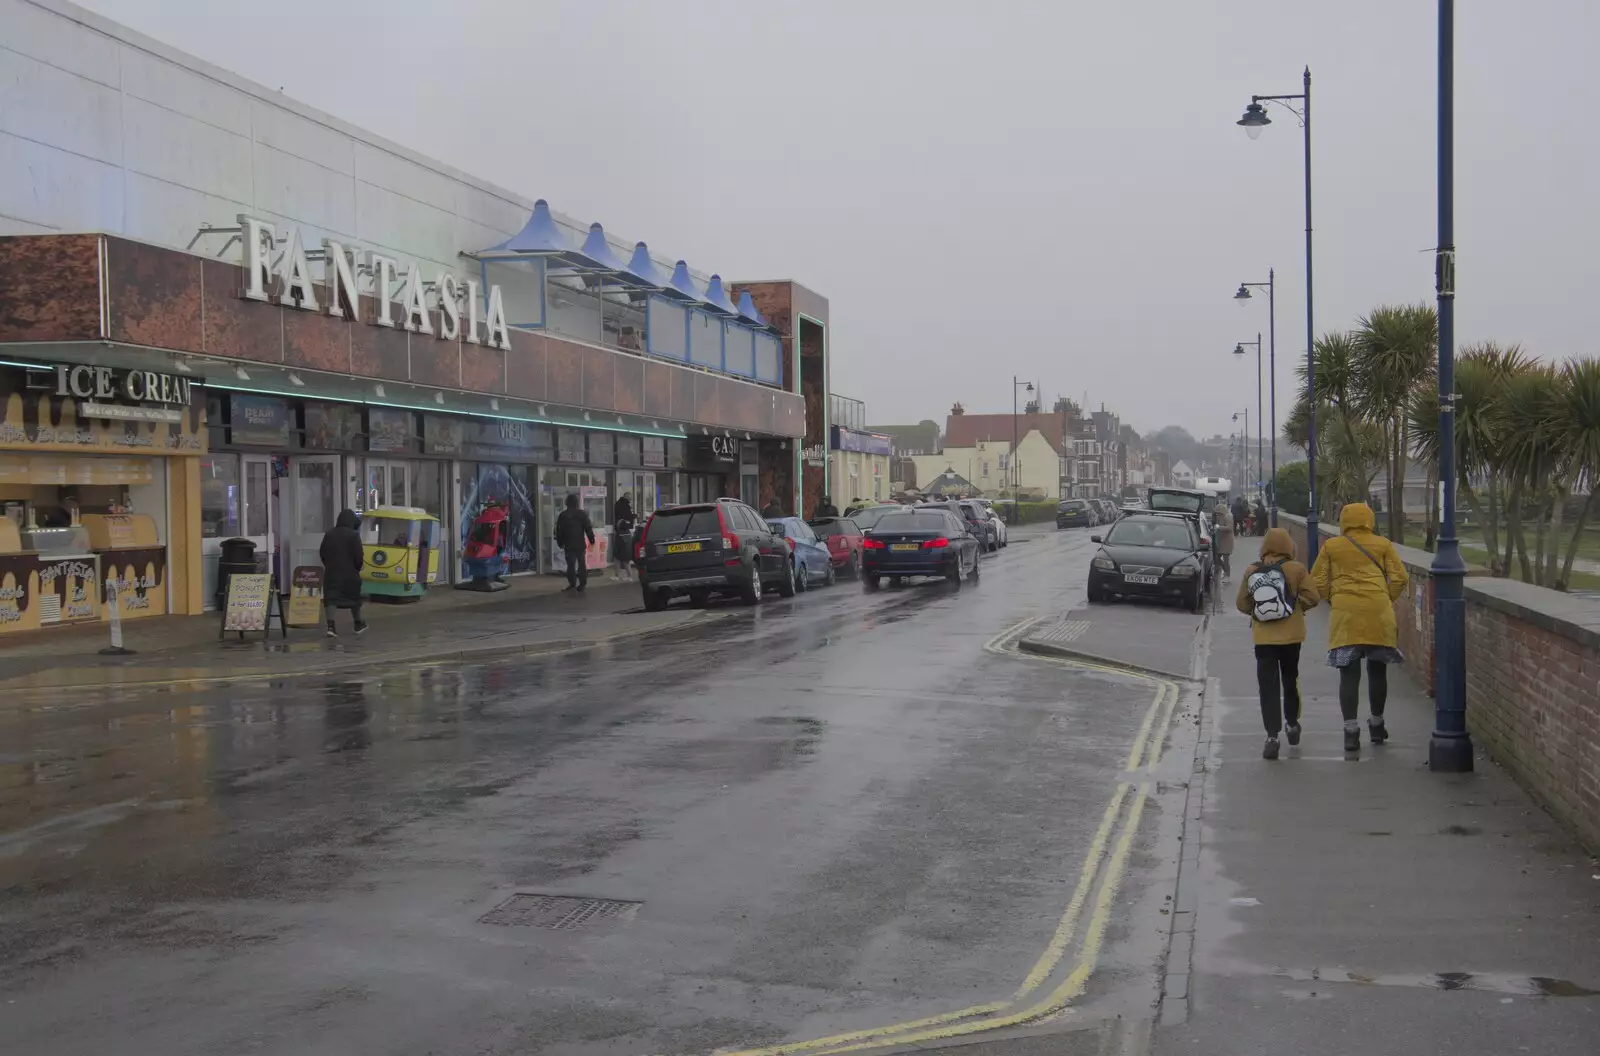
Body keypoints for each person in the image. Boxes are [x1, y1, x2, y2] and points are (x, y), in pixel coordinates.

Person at [1310, 502, 1409, 752]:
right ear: (1369, 520)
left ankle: (1351, 732)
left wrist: (1333, 597)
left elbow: (1318, 580)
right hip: (1378, 611)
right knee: (1377, 671)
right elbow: (1400, 577)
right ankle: (1377, 726)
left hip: (1346, 615)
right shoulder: (1383, 544)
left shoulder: (1332, 546)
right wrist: (1386, 598)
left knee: (1348, 673)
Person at [1236, 527, 1320, 759]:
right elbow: (1314, 597)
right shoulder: (1297, 569)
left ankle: (1271, 737)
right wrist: (1293, 606)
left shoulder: (1253, 570)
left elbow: (1242, 605)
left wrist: (1260, 611)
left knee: (1268, 686)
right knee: (1290, 679)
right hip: (1292, 637)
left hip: (1263, 639)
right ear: (1288, 546)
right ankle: (1292, 724)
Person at [319, 508, 366, 637]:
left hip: (332, 573)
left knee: (331, 598)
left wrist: (329, 565)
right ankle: (358, 624)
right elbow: (358, 556)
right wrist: (357, 567)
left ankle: (331, 626)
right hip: (350, 574)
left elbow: (322, 552)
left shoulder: (329, 534)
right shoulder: (353, 535)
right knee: (354, 597)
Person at [554, 493, 596, 594]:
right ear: (576, 503)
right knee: (582, 565)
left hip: (569, 544)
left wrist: (560, 543)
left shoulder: (563, 515)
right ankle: (582, 583)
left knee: (570, 565)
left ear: (567, 503)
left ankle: (572, 583)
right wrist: (591, 539)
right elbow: (588, 527)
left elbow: (558, 530)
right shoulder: (582, 514)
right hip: (580, 544)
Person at [611, 495, 637, 583]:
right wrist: (633, 517)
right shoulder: (626, 507)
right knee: (625, 559)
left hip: (620, 534)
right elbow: (629, 521)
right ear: (627, 499)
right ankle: (628, 576)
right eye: (630, 499)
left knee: (617, 556)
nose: (630, 501)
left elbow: (618, 522)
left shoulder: (617, 505)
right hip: (626, 534)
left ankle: (618, 575)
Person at [1212, 501, 1235, 580]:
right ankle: (1224, 572)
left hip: (1227, 541)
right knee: (1217, 558)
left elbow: (1229, 528)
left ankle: (1227, 575)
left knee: (1226, 559)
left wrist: (1219, 527)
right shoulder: (1220, 517)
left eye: (1218, 513)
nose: (1217, 515)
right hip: (1221, 541)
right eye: (1216, 514)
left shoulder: (1228, 516)